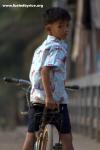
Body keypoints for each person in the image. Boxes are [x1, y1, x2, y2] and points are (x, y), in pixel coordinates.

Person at [22, 7, 74, 150]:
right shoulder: (58, 48)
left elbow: (39, 72)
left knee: (31, 136)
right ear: (49, 29)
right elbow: (45, 71)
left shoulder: (39, 49)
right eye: (60, 26)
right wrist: (50, 97)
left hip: (36, 99)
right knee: (66, 138)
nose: (66, 29)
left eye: (67, 25)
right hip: (55, 101)